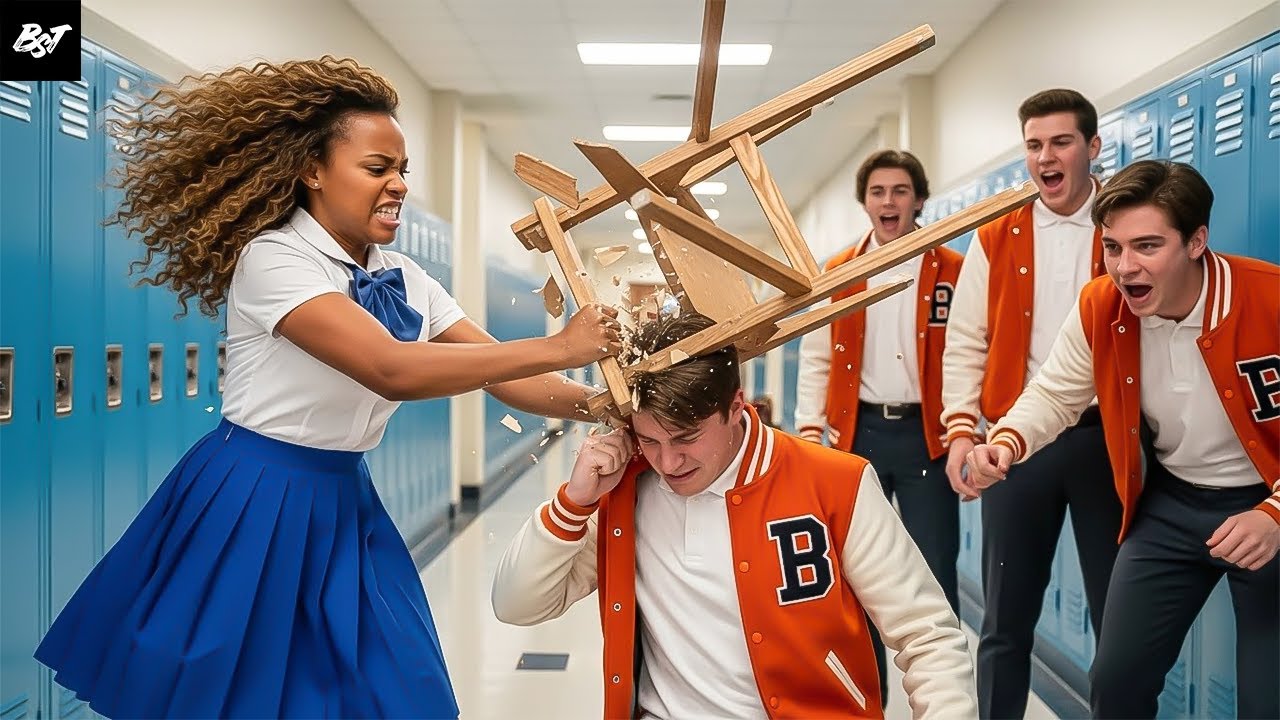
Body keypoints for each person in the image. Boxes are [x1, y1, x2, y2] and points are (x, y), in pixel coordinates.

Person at [33, 56, 621, 719]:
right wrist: (563, 345)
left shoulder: (406, 276)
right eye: (377, 168)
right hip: (254, 494)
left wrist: (613, 407)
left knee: (401, 686)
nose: (398, 185)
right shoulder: (274, 259)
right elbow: (390, 368)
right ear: (313, 170)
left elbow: (509, 378)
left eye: (403, 170)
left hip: (344, 497)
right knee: (239, 693)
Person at [493, 312, 977, 719]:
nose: (668, 463)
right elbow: (516, 605)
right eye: (650, 440)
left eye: (686, 438)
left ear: (736, 407)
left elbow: (927, 636)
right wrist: (573, 503)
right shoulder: (625, 493)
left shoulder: (835, 483)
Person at [964, 160, 1279, 720]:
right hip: (1173, 506)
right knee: (1115, 684)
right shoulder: (1103, 305)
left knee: (1266, 696)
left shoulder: (1269, 298)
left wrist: (1275, 514)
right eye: (1112, 247)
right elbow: (1055, 393)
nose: (1125, 267)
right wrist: (1005, 443)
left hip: (1266, 504)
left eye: (1147, 246)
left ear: (1196, 242)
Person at [939, 88, 1123, 718]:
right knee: (1005, 620)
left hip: (1108, 440)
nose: (1046, 156)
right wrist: (961, 431)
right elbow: (966, 341)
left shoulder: (1124, 222)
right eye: (1034, 145)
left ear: (1092, 147)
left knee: (1118, 623)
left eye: (1061, 142)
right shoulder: (997, 236)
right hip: (1016, 442)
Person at [795, 148, 963, 704]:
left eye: (899, 191)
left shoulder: (953, 269)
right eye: (877, 192)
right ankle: (871, 702)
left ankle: (940, 704)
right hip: (857, 435)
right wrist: (810, 431)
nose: (888, 201)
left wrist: (970, 428)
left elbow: (969, 353)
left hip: (928, 438)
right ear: (865, 202)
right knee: (857, 576)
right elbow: (817, 356)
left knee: (934, 574)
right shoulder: (841, 271)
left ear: (919, 199)